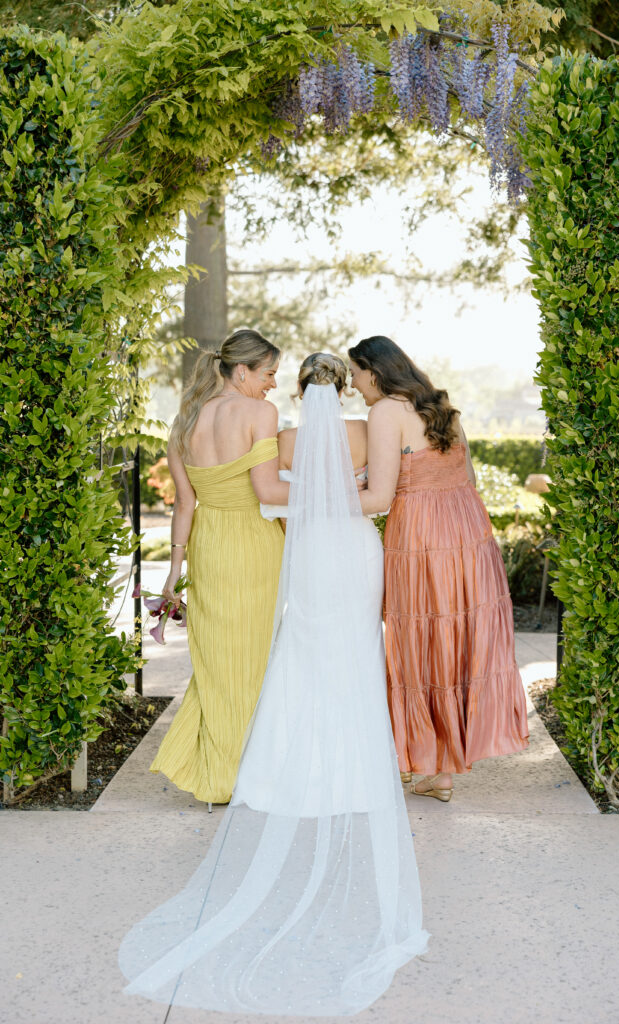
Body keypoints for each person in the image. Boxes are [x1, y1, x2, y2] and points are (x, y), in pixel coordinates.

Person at [119, 353, 428, 1016]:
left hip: (309, 549)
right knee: (355, 650)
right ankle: (354, 766)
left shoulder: (284, 437)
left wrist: (307, 498)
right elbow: (383, 495)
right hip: (355, 547)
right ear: (344, 387)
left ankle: (289, 763)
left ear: (298, 388)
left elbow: (267, 497)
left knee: (303, 652)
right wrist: (348, 488)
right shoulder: (362, 429)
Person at [349, 335, 528, 802]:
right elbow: (467, 477)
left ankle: (428, 762)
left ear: (374, 371)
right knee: (453, 641)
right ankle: (440, 770)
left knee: (420, 642)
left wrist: (320, 498)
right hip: (467, 531)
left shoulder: (385, 412)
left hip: (421, 536)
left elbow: (379, 498)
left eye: (355, 374)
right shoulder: (441, 405)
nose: (352, 385)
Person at [149, 328, 289, 808]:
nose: (273, 384)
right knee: (257, 655)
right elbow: (268, 491)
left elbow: (184, 504)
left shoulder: (186, 420)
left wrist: (175, 569)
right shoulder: (260, 414)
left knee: (218, 658)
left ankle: (220, 769)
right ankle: (247, 769)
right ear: (242, 370)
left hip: (208, 545)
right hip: (254, 541)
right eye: (269, 373)